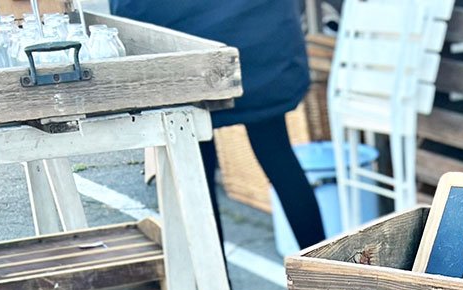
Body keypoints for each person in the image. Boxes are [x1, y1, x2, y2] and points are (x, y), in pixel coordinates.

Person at [110, 0, 326, 256]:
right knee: (277, 153)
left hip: (185, 44)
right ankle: (326, 277)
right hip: (256, 37)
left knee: (197, 170)